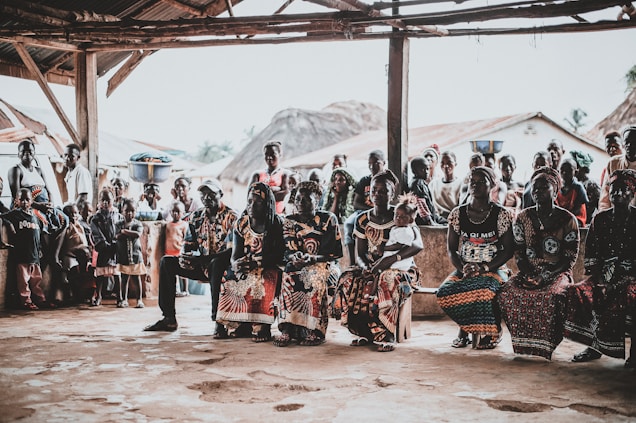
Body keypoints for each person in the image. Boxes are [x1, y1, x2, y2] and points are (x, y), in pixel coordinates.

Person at [333, 170, 423, 352]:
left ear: (392, 194)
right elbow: (359, 253)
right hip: (374, 267)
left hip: (401, 269)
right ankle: (363, 331)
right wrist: (367, 267)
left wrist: (391, 259)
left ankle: (386, 333)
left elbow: (418, 245)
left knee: (387, 279)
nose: (377, 195)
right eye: (374, 190)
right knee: (349, 279)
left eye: (383, 191)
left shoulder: (400, 214)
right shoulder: (363, 219)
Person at [498, 167, 580, 360]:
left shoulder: (568, 219)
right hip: (530, 271)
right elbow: (519, 252)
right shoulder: (523, 217)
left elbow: (569, 258)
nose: (537, 192)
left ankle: (545, 346)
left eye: (543, 188)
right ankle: (524, 345)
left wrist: (545, 276)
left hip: (557, 272)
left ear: (555, 191)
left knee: (553, 296)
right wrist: (527, 274)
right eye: (534, 188)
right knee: (506, 293)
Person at [436, 167, 514, 349]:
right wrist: (463, 268)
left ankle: (493, 333)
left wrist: (485, 267)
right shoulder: (458, 214)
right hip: (466, 267)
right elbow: (451, 249)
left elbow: (508, 250)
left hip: (494, 268)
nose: (475, 185)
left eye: (481, 181)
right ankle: (465, 328)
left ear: (492, 185)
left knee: (485, 292)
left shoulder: (501, 214)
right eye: (472, 181)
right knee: (445, 292)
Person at [144, 179, 237, 332]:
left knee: (216, 263)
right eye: (204, 195)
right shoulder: (196, 217)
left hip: (225, 267)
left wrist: (202, 259)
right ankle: (169, 318)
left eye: (211, 194)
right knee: (166, 262)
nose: (207, 198)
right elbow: (189, 245)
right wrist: (186, 257)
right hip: (202, 265)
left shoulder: (232, 217)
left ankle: (219, 320)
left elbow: (231, 252)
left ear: (220, 194)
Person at [565, 169, 636, 367]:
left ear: (633, 194)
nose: (618, 194)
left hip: (631, 277)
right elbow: (592, 254)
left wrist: (620, 281)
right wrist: (601, 280)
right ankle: (593, 346)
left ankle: (634, 353)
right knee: (578, 292)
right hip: (604, 275)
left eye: (624, 190)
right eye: (614, 190)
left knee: (629, 296)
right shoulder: (600, 219)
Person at [275, 181, 343, 347]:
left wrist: (312, 259)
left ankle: (315, 330)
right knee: (289, 276)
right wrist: (294, 257)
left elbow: (332, 253)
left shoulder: (328, 219)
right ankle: (288, 328)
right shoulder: (289, 221)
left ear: (317, 200)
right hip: (300, 263)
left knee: (314, 276)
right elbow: (289, 247)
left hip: (325, 264)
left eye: (306, 200)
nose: (300, 203)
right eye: (298, 199)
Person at [215, 182, 284, 341]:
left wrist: (258, 262)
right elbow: (235, 254)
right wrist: (236, 264)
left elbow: (279, 255)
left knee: (263, 279)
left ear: (266, 204)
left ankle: (262, 327)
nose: (252, 206)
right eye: (249, 201)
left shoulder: (275, 223)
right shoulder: (242, 223)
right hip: (247, 265)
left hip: (268, 266)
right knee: (230, 276)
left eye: (257, 202)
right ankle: (240, 324)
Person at [0, 188, 54, 310]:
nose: (24, 202)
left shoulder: (35, 217)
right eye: (21, 199)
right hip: (21, 256)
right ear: (16, 201)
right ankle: (26, 301)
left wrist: (39, 249)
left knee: (36, 280)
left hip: (34, 256)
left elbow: (38, 236)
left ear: (31, 201)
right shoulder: (14, 214)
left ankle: (41, 299)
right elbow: (2, 217)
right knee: (23, 282)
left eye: (27, 199)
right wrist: (8, 224)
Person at [343, 150, 386, 265]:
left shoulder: (388, 180)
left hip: (383, 211)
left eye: (376, 163)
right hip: (364, 211)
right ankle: (352, 263)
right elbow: (356, 203)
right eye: (370, 164)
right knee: (348, 224)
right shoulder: (365, 181)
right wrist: (371, 210)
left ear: (384, 163)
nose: (372, 167)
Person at [91, 188, 123, 307]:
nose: (105, 203)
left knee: (116, 274)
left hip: (115, 249)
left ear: (113, 200)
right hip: (103, 249)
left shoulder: (118, 216)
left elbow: (120, 230)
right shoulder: (96, 218)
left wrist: (116, 243)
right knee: (100, 274)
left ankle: (120, 298)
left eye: (108, 200)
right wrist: (103, 243)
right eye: (102, 200)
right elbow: (96, 232)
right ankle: (98, 296)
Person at [56, 203, 93, 305]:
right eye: (71, 214)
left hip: (83, 256)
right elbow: (60, 242)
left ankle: (85, 295)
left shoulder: (80, 225)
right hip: (70, 255)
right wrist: (56, 256)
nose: (74, 216)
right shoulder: (66, 227)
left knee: (87, 274)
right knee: (68, 277)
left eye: (76, 213)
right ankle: (71, 296)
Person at [115, 199, 146, 309]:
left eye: (132, 211)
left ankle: (139, 300)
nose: (129, 213)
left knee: (136, 278)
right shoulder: (118, 224)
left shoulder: (137, 224)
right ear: (122, 211)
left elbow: (137, 235)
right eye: (127, 211)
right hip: (123, 256)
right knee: (124, 279)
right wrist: (126, 234)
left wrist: (124, 232)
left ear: (136, 212)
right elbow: (116, 236)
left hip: (135, 256)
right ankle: (124, 299)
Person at [599, 126, 636, 211]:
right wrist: (603, 214)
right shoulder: (613, 163)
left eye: (634, 143)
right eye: (627, 142)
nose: (630, 146)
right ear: (623, 144)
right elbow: (605, 193)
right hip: (614, 216)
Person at [381, 194, 419, 272]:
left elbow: (399, 246)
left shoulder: (405, 231)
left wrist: (383, 248)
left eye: (403, 217)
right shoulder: (397, 228)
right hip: (391, 258)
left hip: (398, 262)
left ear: (411, 220)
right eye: (396, 215)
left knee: (378, 269)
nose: (398, 218)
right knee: (377, 268)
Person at [250, 140, 290, 215]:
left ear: (280, 154)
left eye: (273, 154)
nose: (269, 157)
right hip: (260, 217)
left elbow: (287, 194)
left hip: (279, 215)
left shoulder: (285, 174)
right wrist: (277, 189)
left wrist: (262, 194)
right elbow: (251, 196)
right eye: (266, 154)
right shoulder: (257, 174)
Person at [163, 201, 191, 297]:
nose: (175, 214)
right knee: (172, 272)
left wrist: (184, 250)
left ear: (182, 213)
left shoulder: (184, 225)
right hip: (169, 251)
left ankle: (185, 290)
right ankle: (174, 290)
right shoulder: (167, 224)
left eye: (177, 212)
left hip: (179, 251)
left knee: (183, 271)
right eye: (173, 211)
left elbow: (186, 238)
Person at [408, 156, 446, 225]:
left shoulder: (421, 182)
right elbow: (420, 205)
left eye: (427, 169)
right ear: (414, 171)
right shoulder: (417, 183)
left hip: (431, 216)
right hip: (424, 220)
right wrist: (430, 221)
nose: (426, 172)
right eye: (422, 169)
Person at [570, 150, 600, 225]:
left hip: (586, 224)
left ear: (582, 168)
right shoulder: (572, 183)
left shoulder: (592, 185)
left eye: (575, 166)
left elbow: (600, 207)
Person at [557, 158, 589, 227]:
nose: (565, 173)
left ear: (576, 172)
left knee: (569, 224)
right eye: (562, 170)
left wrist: (565, 217)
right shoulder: (557, 187)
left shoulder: (578, 187)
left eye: (569, 170)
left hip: (577, 218)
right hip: (562, 218)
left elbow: (578, 209)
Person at [429, 151, 462, 219]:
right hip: (437, 220)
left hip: (454, 220)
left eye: (449, 162)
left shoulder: (461, 184)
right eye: (442, 163)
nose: (446, 166)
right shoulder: (433, 184)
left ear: (455, 164)